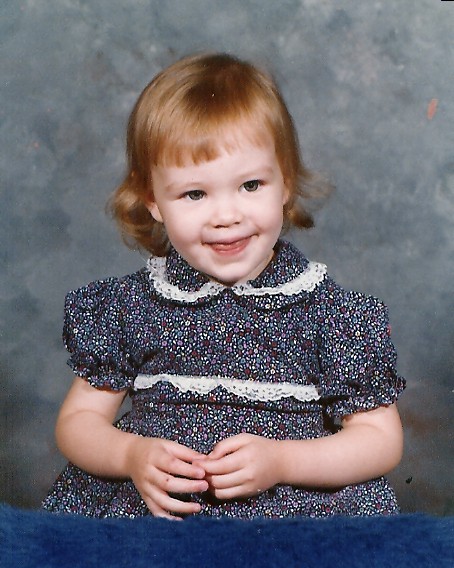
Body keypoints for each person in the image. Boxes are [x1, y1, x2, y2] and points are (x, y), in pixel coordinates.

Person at [43, 52, 405, 520]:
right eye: (195, 194)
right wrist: (129, 456)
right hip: (154, 517)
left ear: (285, 184)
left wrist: (282, 461)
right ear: (153, 200)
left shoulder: (331, 314)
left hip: (294, 520)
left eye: (250, 185)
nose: (226, 216)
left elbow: (380, 439)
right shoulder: (129, 306)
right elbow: (79, 422)